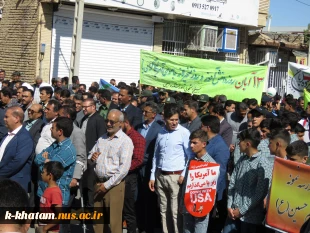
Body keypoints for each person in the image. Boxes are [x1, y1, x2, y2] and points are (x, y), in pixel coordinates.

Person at [149, 103, 193, 233]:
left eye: (176, 119)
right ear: (165, 119)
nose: (174, 122)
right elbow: (156, 156)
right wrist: (152, 176)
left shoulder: (184, 133)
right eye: (171, 120)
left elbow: (189, 156)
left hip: (176, 177)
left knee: (175, 212)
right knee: (163, 210)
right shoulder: (161, 133)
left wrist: (183, 175)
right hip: (160, 176)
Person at [88, 109, 134, 233]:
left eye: (112, 122)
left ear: (120, 123)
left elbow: (123, 169)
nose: (108, 124)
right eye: (107, 121)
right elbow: (91, 155)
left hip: (114, 185)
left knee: (113, 223)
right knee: (98, 223)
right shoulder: (102, 138)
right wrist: (91, 158)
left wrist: (107, 185)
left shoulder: (125, 141)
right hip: (98, 183)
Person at [223, 128, 272, 233]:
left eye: (240, 141)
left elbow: (260, 193)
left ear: (248, 144)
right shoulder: (242, 160)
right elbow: (232, 184)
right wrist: (229, 206)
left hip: (250, 218)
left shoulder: (263, 164)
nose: (238, 144)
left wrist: (241, 210)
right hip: (233, 213)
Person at [35, 117, 76, 233]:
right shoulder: (55, 145)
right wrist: (45, 160)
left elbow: (50, 169)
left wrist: (46, 161)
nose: (50, 130)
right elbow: (37, 159)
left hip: (57, 198)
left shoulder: (68, 149)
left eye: (52, 128)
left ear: (60, 131)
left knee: (55, 229)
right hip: (45, 194)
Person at [181, 129, 216, 233]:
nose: (191, 145)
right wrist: (181, 204)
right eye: (190, 142)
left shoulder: (211, 164)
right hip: (188, 206)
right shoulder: (191, 161)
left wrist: (206, 208)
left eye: (194, 143)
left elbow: (212, 191)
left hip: (202, 209)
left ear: (204, 144)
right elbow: (186, 185)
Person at [136, 101, 162, 233]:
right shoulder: (139, 127)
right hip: (138, 168)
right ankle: (140, 225)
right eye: (143, 111)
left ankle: (149, 227)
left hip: (149, 168)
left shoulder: (158, 129)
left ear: (154, 114)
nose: (144, 114)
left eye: (147, 112)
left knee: (150, 200)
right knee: (139, 198)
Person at [200, 115, 230, 233]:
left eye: (201, 126)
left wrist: (212, 193)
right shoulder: (207, 142)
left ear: (207, 128)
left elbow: (220, 172)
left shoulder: (220, 146)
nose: (199, 128)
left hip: (212, 191)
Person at [121, 112, 146, 233]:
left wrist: (122, 169)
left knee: (128, 209)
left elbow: (138, 160)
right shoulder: (118, 136)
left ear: (126, 123)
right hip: (116, 176)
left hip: (129, 177)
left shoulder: (137, 138)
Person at [0, 106, 34, 191]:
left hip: (15, 185)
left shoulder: (25, 138)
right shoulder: (7, 135)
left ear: (16, 119)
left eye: (6, 117)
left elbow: (17, 162)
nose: (4, 119)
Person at [80, 98, 106, 207]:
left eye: (86, 107)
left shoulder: (98, 120)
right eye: (83, 107)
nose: (84, 109)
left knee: (91, 186)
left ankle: (91, 213)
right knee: (84, 186)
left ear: (93, 107)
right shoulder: (84, 119)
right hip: (83, 157)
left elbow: (101, 139)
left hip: (92, 159)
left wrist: (95, 157)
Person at [58, 106, 87, 189]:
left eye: (59, 116)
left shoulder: (77, 133)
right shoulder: (61, 131)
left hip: (69, 177)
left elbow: (80, 156)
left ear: (67, 117)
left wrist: (75, 177)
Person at [35, 161, 64, 233]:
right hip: (42, 225)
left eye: (43, 172)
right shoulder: (47, 188)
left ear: (50, 176)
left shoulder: (55, 192)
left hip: (50, 230)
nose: (41, 174)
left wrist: (45, 228)